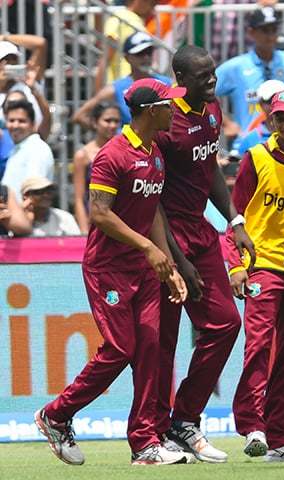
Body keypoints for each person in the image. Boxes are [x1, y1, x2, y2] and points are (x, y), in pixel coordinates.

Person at [34, 78, 188, 465]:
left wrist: (167, 263)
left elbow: (152, 209)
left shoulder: (155, 152)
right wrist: (149, 248)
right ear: (151, 111)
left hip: (144, 266)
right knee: (121, 348)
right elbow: (100, 214)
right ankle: (56, 415)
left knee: (151, 348)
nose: (175, 110)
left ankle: (145, 443)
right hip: (108, 269)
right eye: (169, 105)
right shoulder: (112, 155)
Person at [153, 46, 255, 464]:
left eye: (212, 74)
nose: (211, 82)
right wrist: (176, 257)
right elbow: (152, 199)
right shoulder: (165, 120)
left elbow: (209, 166)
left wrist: (234, 218)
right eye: (201, 76)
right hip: (167, 236)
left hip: (201, 229)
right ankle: (154, 433)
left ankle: (184, 419)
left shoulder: (211, 108)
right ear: (179, 76)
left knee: (226, 324)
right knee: (164, 339)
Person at [223, 88, 284, 463]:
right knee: (259, 344)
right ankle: (252, 426)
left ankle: (280, 437)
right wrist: (235, 264)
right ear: (271, 120)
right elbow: (235, 216)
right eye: (280, 117)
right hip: (263, 264)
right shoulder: (256, 157)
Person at [215, 7, 284, 137]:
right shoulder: (236, 67)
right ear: (251, 32)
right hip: (250, 142)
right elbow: (203, 94)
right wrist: (227, 123)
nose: (270, 36)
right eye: (265, 30)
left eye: (274, 30)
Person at [74, 32, 171, 130]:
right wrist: (109, 134)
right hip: (129, 144)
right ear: (127, 57)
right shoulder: (116, 89)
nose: (146, 57)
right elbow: (79, 116)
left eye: (149, 52)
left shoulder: (167, 84)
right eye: (140, 53)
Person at [73, 103, 122, 234]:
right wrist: (84, 231)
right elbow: (79, 197)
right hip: (95, 223)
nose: (112, 125)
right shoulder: (82, 156)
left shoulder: (123, 152)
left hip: (120, 221)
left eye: (116, 121)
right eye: (107, 120)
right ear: (95, 123)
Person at [234, 78, 284, 155]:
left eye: (282, 100)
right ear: (260, 104)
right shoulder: (249, 139)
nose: (276, 105)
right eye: (270, 101)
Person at [1, 99, 54, 201]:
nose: (15, 125)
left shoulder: (37, 149)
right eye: (11, 120)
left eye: (22, 121)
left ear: (33, 124)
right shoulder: (18, 149)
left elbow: (34, 194)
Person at [0, 37, 51, 138]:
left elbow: (40, 43)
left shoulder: (30, 81)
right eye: (4, 60)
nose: (9, 63)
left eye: (13, 58)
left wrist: (5, 37)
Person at [97, 0, 156, 88]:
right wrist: (98, 92)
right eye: (151, 3)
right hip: (121, 85)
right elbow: (106, 58)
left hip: (136, 82)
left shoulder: (135, 20)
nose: (152, 9)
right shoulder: (118, 19)